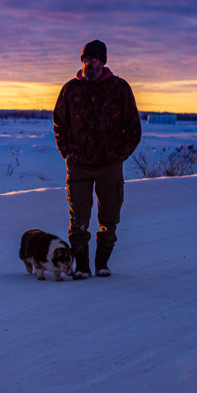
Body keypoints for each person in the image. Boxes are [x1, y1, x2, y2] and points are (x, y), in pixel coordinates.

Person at [53, 39, 142, 279]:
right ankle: (82, 266)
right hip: (79, 165)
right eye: (85, 59)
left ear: (102, 61)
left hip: (109, 166)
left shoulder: (119, 88)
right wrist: (67, 153)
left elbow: (133, 127)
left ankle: (102, 263)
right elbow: (59, 123)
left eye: (92, 59)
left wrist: (119, 156)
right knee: (78, 219)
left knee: (110, 217)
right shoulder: (71, 89)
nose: (88, 63)